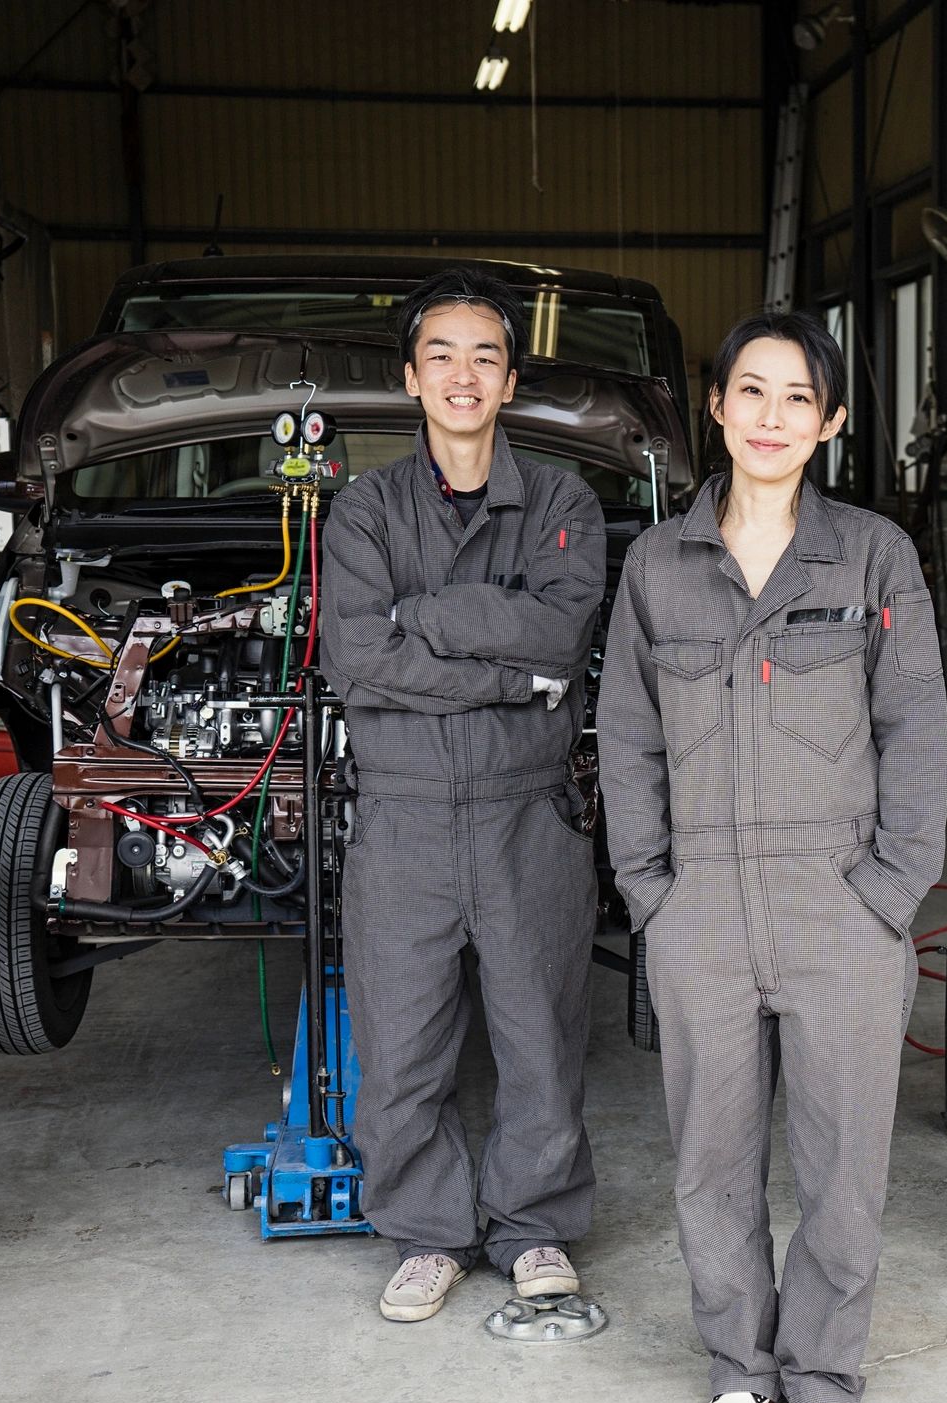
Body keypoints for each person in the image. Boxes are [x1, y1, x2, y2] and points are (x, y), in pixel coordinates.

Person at [600, 311, 947, 1403]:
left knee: (845, 1161)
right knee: (711, 1160)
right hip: (699, 899)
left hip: (837, 895)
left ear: (832, 421)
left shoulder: (874, 555)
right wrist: (653, 892)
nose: (771, 416)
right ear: (715, 407)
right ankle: (741, 1374)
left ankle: (824, 1372)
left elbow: (917, 731)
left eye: (798, 397)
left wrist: (889, 893)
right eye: (751, 391)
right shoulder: (658, 564)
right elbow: (626, 735)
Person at [320, 268, 607, 1323]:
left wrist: (425, 619)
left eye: (484, 355)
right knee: (401, 1040)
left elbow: (561, 635)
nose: (462, 373)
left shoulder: (565, 504)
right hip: (402, 816)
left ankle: (533, 1226)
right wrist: (503, 669)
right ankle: (429, 1232)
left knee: (540, 1028)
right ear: (410, 376)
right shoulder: (361, 511)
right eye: (441, 353)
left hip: (530, 808)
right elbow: (360, 658)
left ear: (509, 378)